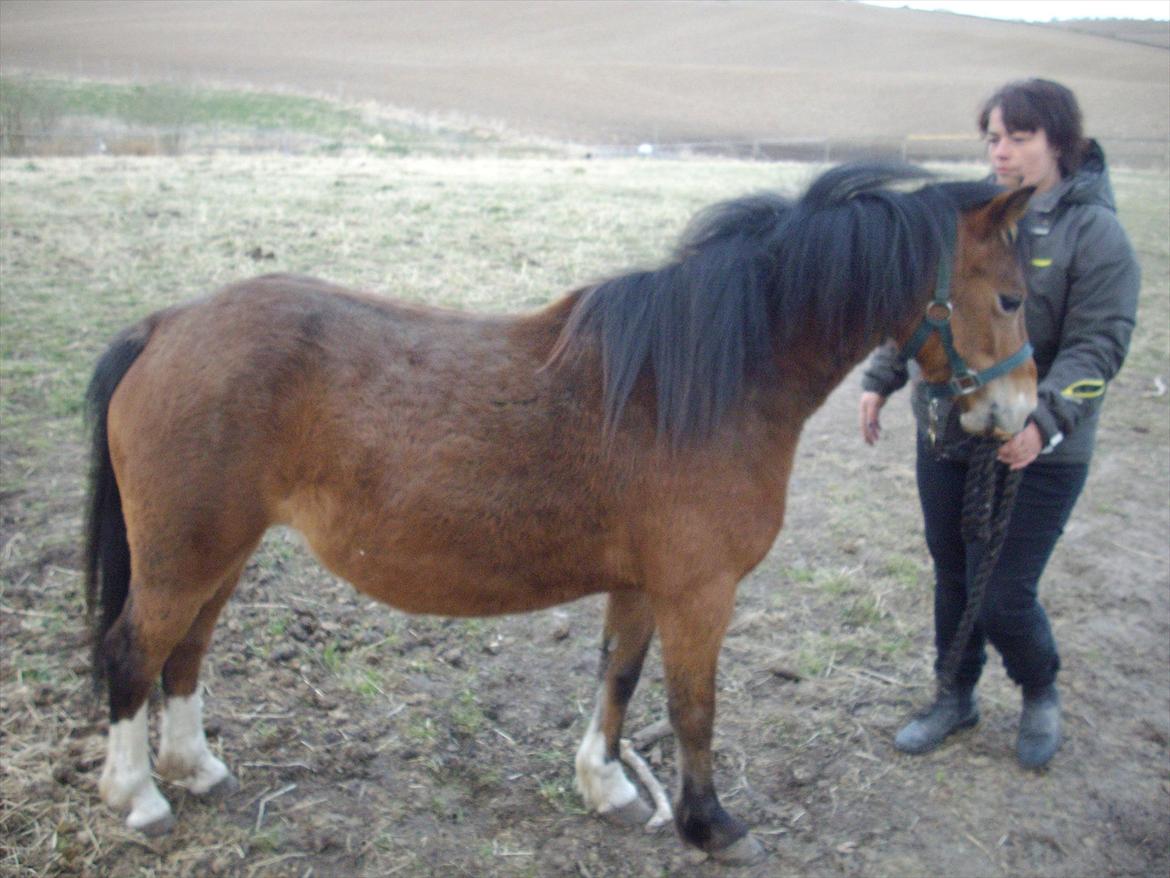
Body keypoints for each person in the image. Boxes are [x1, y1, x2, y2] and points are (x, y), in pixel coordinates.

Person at [859, 79, 1140, 769]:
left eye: (1020, 137)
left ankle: (1040, 690)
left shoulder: (1094, 231)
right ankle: (954, 694)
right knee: (953, 575)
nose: (1003, 152)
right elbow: (927, 304)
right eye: (993, 137)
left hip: (1041, 447)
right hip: (950, 429)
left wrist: (1046, 421)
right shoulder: (968, 213)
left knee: (1005, 592)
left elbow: (1100, 343)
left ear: (1059, 142)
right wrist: (881, 379)